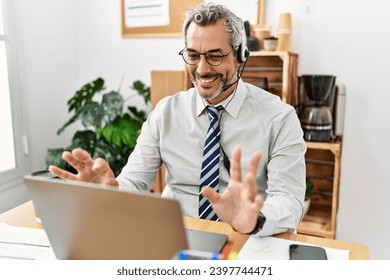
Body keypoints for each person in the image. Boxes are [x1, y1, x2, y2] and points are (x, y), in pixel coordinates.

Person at [49, 3, 306, 236]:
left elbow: (289, 199)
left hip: (247, 237)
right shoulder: (166, 112)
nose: (202, 70)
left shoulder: (279, 118)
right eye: (193, 55)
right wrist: (112, 192)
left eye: (215, 56)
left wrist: (255, 220)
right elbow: (135, 180)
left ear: (240, 57)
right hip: (176, 236)